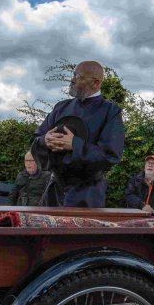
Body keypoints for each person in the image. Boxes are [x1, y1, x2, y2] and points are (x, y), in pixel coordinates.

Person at [32, 61, 124, 207]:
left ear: (95, 83)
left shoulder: (110, 111)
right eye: (73, 74)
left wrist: (75, 144)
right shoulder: (61, 107)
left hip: (87, 194)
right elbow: (36, 138)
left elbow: (111, 155)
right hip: (54, 190)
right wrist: (45, 140)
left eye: (79, 76)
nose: (72, 79)